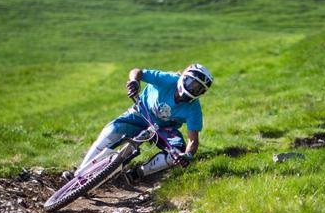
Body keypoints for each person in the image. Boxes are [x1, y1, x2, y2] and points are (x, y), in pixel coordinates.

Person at [64, 63, 213, 181]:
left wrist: (187, 156)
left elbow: (193, 141)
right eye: (191, 83)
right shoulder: (167, 79)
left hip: (163, 129)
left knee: (177, 152)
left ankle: (138, 173)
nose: (192, 89)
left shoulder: (194, 109)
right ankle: (79, 173)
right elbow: (137, 71)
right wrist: (134, 82)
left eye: (197, 89)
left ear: (202, 93)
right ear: (183, 77)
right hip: (140, 114)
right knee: (110, 131)